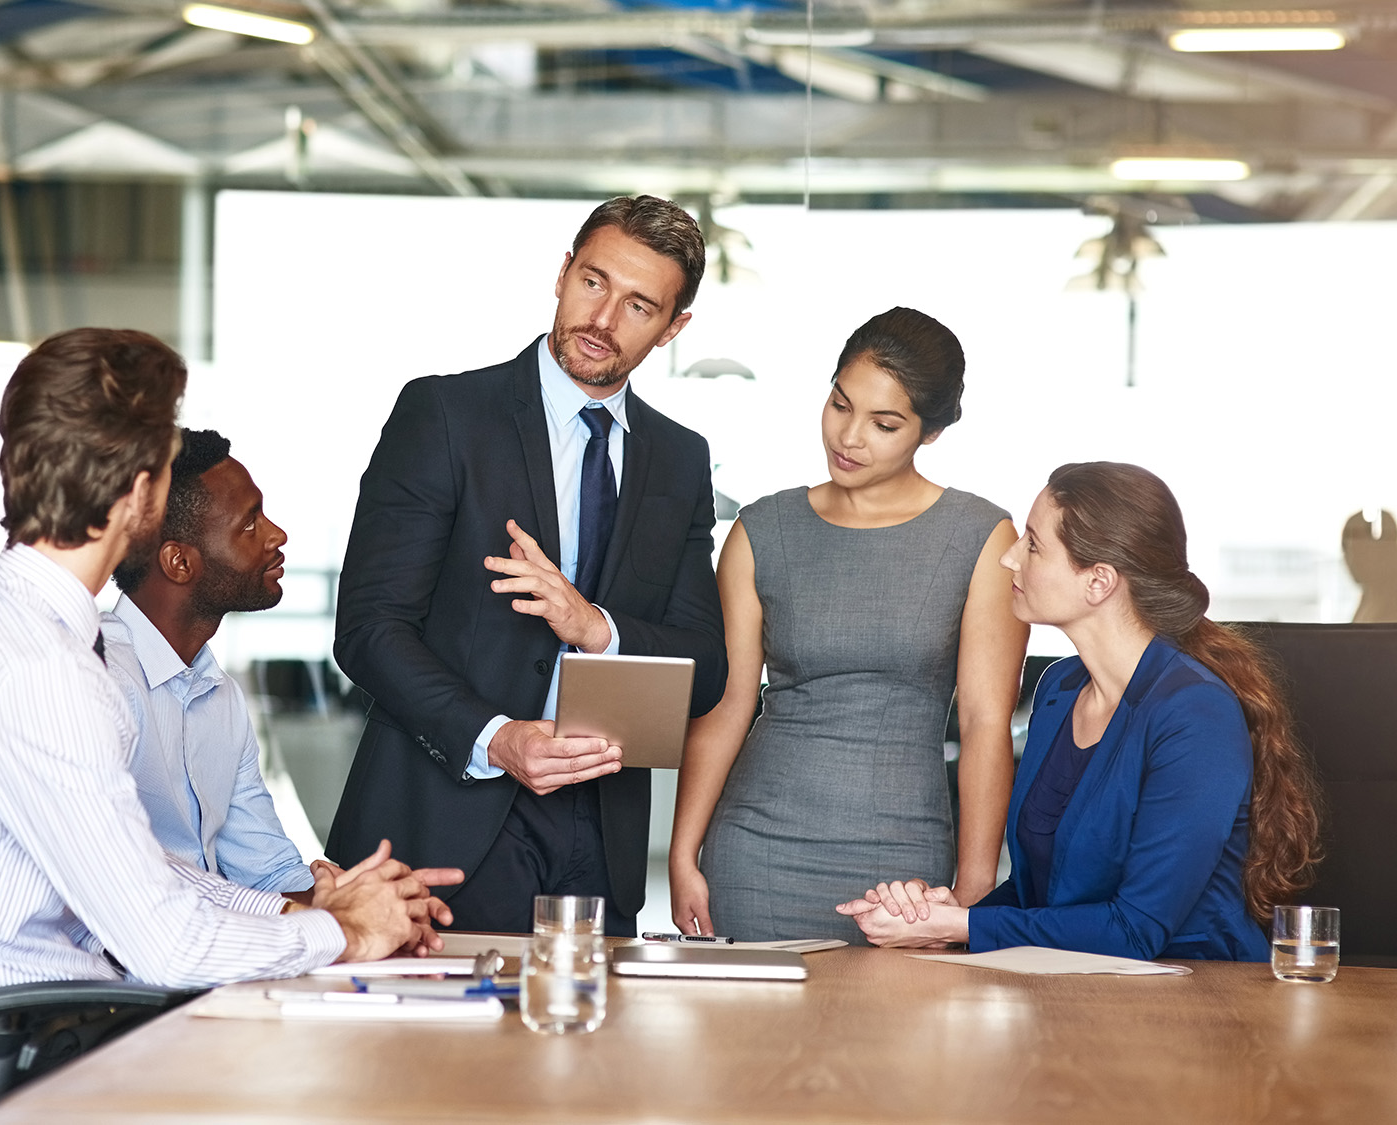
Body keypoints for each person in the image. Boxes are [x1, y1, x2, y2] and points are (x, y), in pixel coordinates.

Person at [0, 329, 460, 1119]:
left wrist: (311, 912)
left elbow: (144, 871)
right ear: (139, 491)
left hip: (34, 1030)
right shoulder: (43, 671)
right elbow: (163, 942)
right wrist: (343, 935)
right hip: (6, 1059)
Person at [327, 195, 729, 938]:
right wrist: (497, 736)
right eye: (593, 282)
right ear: (563, 272)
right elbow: (369, 629)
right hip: (446, 821)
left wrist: (595, 625)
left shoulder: (678, 458)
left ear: (675, 329)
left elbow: (707, 669)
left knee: (586, 1052)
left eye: (639, 306)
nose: (603, 320)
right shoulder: (445, 414)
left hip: (599, 838)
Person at [836, 463, 1323, 960]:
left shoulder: (1196, 715)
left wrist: (963, 924)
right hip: (1071, 991)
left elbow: (1135, 931)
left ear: (1099, 582)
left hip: (1197, 1002)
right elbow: (1042, 900)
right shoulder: (1060, 688)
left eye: (1032, 544)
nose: (1009, 558)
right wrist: (937, 917)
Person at [669, 307, 1026, 943]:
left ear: (930, 432)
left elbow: (984, 724)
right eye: (840, 404)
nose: (849, 437)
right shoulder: (762, 530)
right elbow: (727, 707)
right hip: (757, 850)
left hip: (904, 866)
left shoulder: (981, 537)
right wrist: (683, 851)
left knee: (891, 1042)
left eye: (884, 424)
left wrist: (973, 891)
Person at [106, 427, 320, 900]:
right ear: (179, 562)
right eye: (249, 523)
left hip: (204, 955)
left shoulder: (219, 695)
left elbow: (267, 874)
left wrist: (346, 899)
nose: (276, 535)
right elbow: (130, 887)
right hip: (118, 967)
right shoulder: (102, 683)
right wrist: (305, 919)